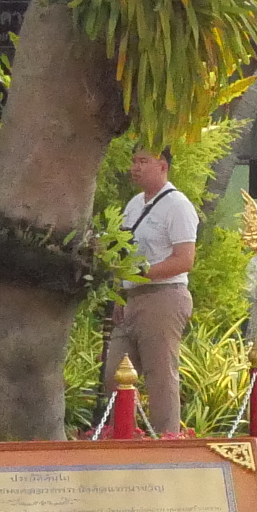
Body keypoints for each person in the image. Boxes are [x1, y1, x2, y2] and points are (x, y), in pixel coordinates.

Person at [104, 145, 199, 433]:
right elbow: (123, 252)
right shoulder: (134, 204)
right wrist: (120, 295)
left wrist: (143, 275)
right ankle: (122, 435)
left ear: (163, 166)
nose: (136, 167)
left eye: (143, 161)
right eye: (134, 161)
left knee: (160, 375)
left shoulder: (178, 205)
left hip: (163, 297)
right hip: (131, 297)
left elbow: (185, 259)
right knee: (113, 374)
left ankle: (166, 441)